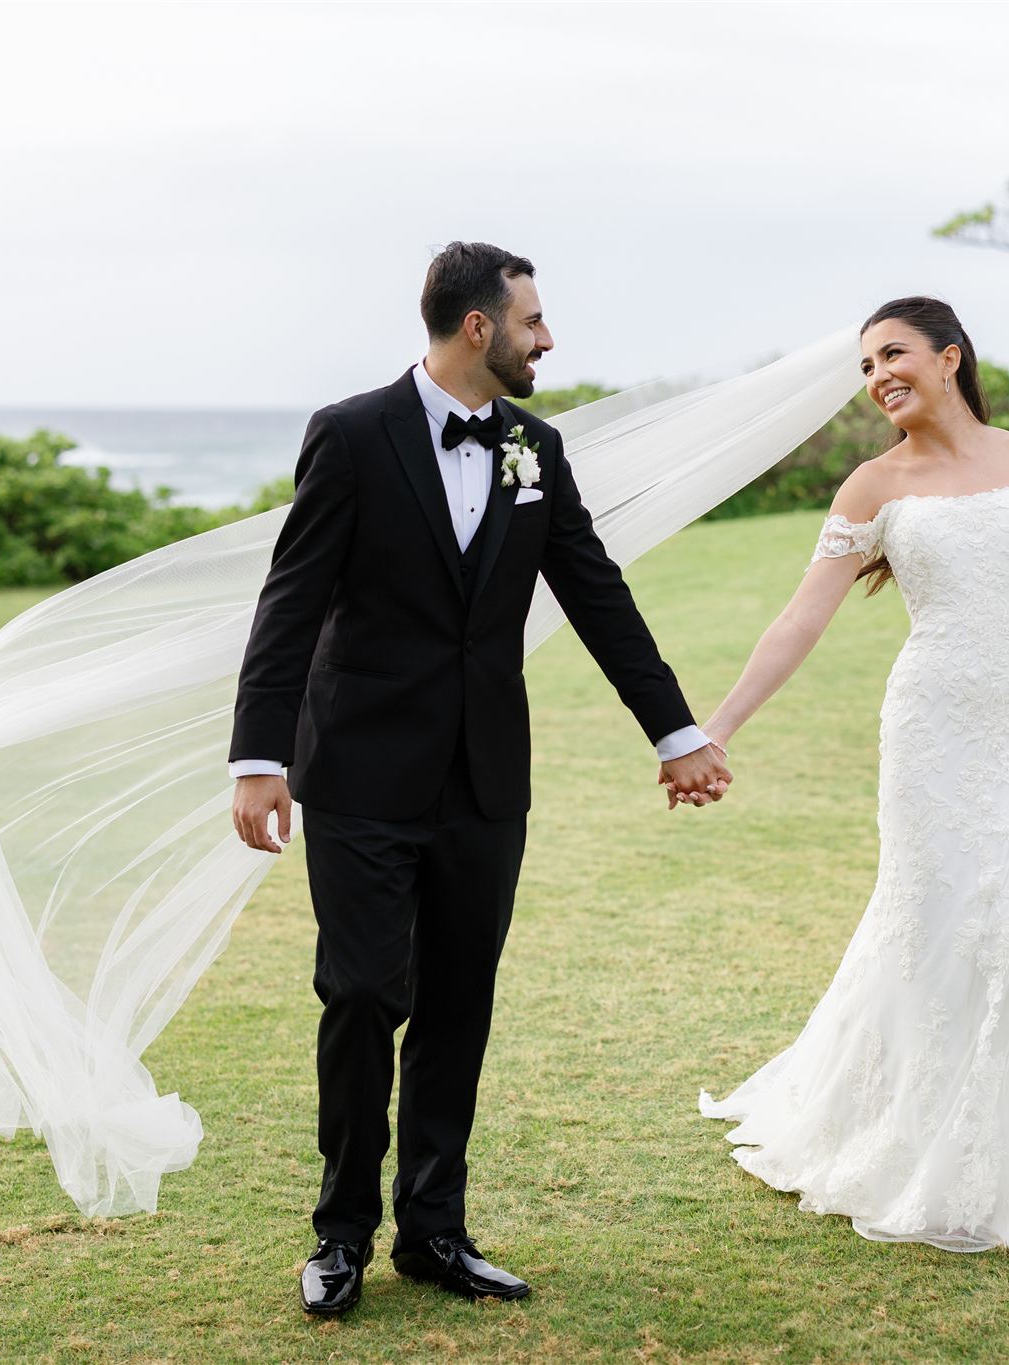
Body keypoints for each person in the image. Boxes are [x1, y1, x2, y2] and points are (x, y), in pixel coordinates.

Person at [228, 241, 733, 1313]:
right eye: (533, 322)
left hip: (483, 780)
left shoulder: (534, 449)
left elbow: (596, 594)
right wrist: (259, 760)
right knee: (363, 994)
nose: (545, 339)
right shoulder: (353, 434)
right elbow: (290, 600)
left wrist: (674, 732)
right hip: (359, 769)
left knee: (460, 1002)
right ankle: (340, 1233)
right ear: (477, 328)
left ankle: (435, 1232)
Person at [697, 296, 1009, 1252]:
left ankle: (1003, 1164)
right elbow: (800, 619)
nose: (878, 374)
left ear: (950, 357)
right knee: (930, 933)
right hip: (932, 726)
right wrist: (717, 726)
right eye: (865, 365)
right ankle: (902, 1144)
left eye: (893, 353)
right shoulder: (871, 485)